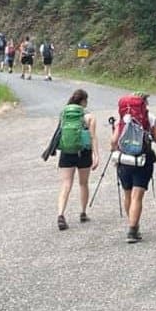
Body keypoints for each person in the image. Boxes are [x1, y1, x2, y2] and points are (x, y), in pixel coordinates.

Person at [111, 93, 156, 243]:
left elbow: (113, 141)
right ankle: (132, 230)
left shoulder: (121, 119)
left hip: (124, 161)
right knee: (137, 196)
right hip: (142, 160)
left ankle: (133, 225)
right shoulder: (149, 117)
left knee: (128, 194)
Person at [56, 89, 99, 230]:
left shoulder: (64, 114)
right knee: (83, 183)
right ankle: (83, 212)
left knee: (66, 184)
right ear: (83, 101)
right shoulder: (89, 117)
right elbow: (93, 137)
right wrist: (96, 155)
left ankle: (61, 214)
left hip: (67, 152)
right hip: (84, 152)